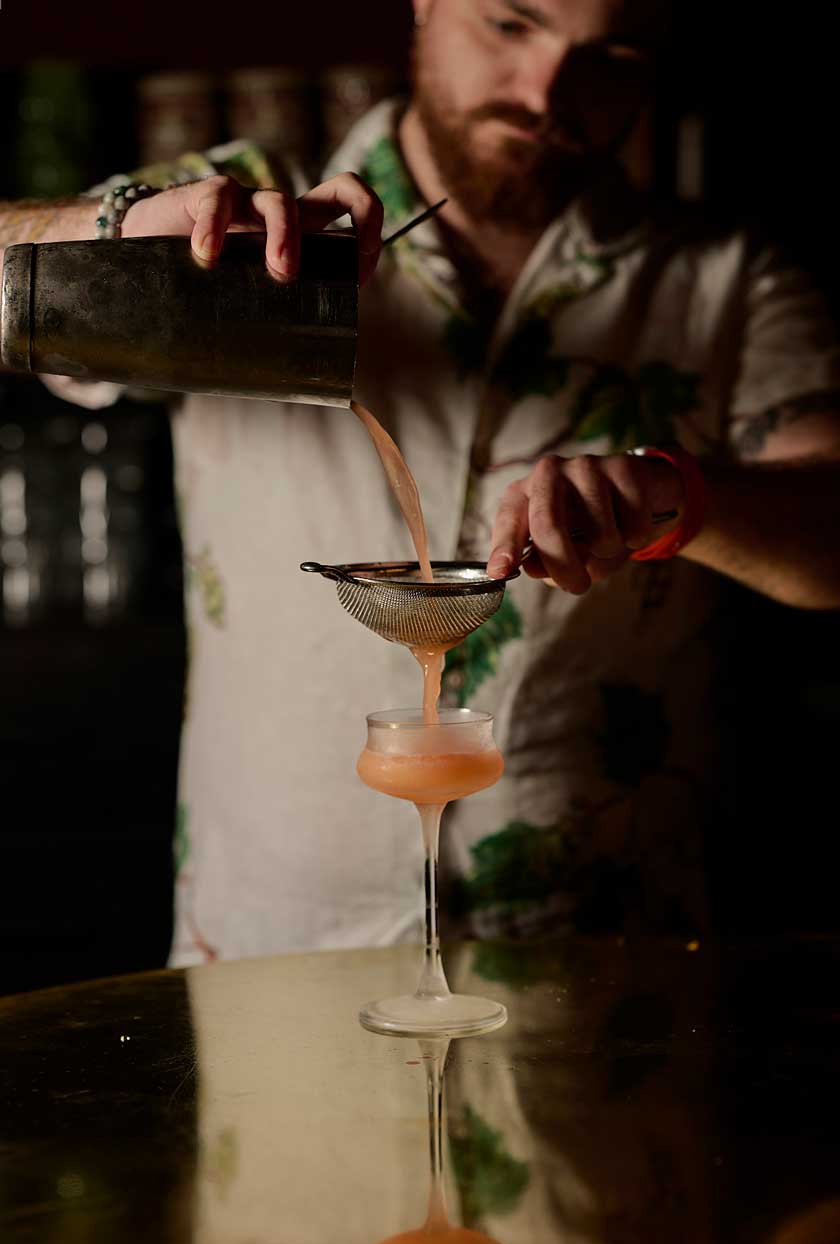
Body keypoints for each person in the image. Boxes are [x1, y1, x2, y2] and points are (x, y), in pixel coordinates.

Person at [2, 0, 840, 965]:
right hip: (273, 965)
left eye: (607, 57)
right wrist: (118, 239)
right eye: (510, 26)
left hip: (609, 972)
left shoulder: (728, 280)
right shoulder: (242, 208)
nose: (545, 93)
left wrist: (679, 499)